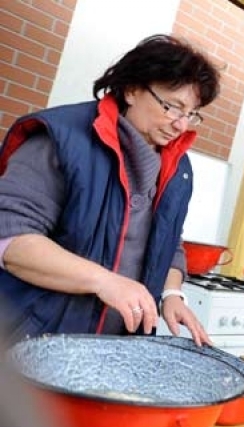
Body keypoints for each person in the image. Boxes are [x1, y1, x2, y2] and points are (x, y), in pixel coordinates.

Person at [0, 34, 218, 345]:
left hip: (116, 351)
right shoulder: (62, 138)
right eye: (172, 107)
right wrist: (103, 281)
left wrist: (172, 294)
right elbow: (11, 239)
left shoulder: (178, 167)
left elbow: (169, 240)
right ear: (131, 90)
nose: (181, 125)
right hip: (28, 340)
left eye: (191, 114)